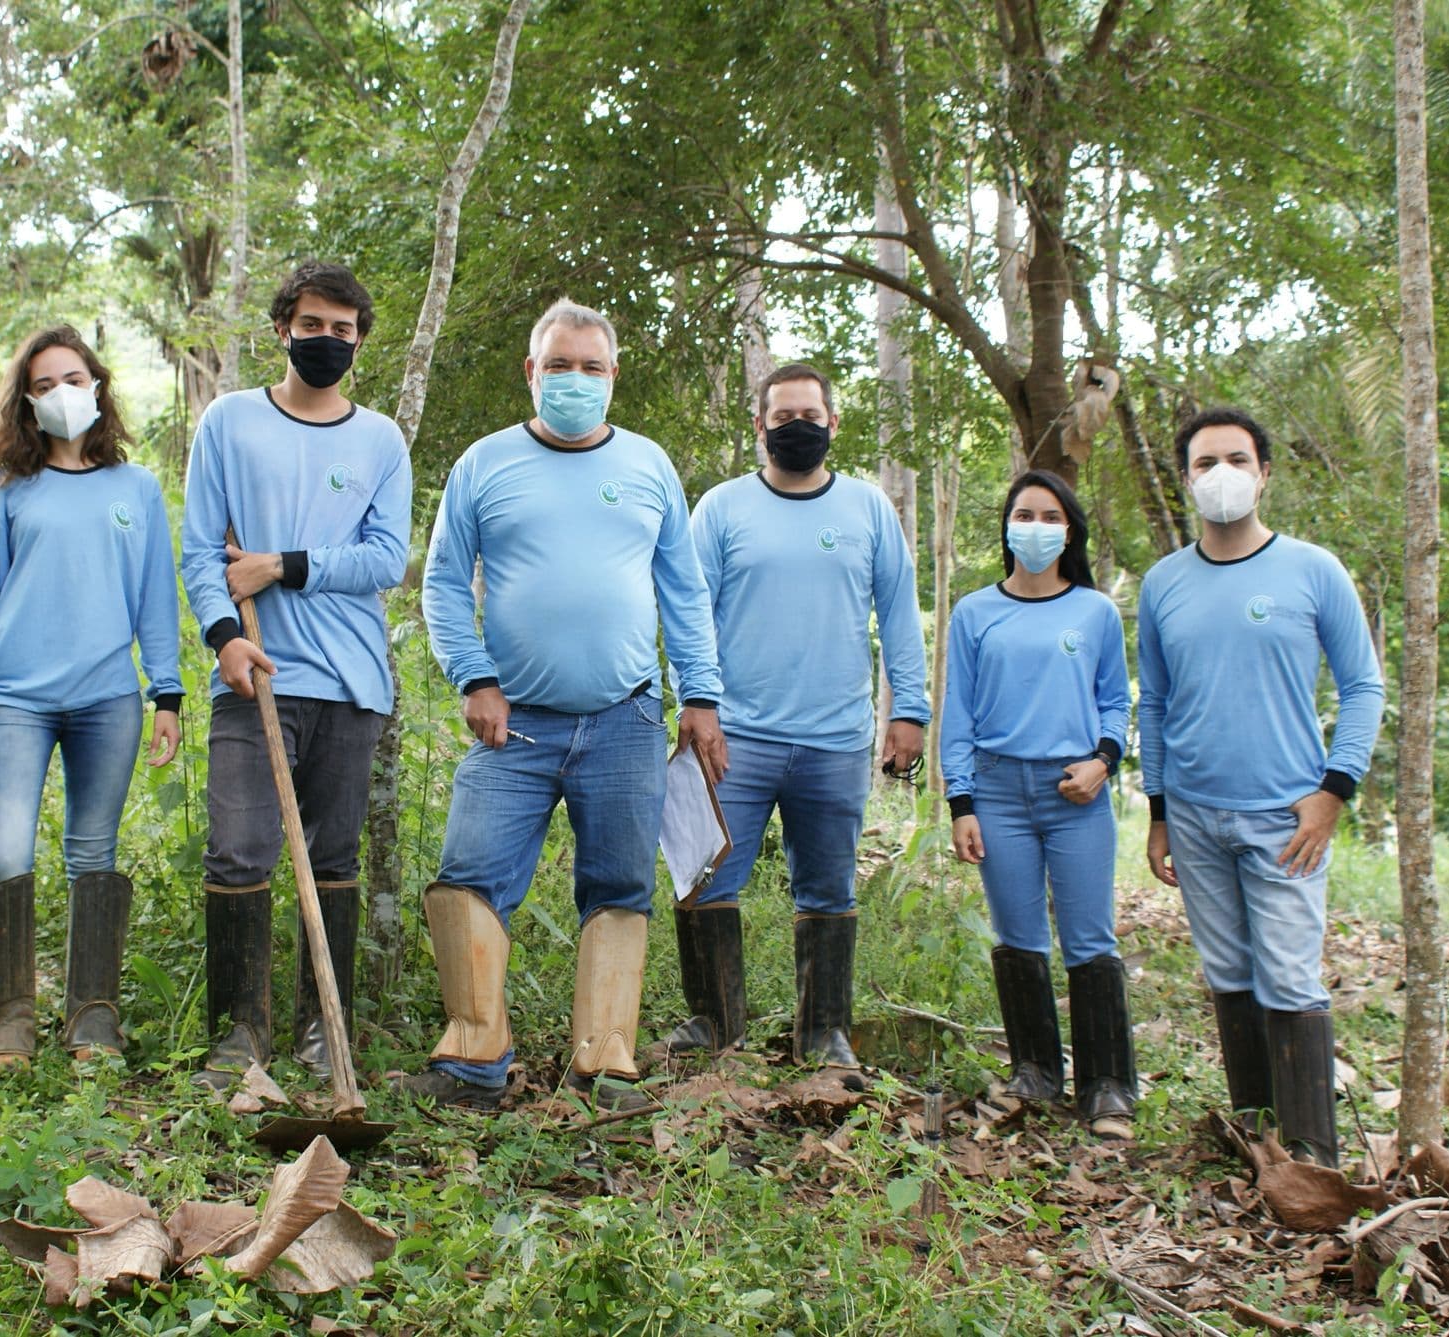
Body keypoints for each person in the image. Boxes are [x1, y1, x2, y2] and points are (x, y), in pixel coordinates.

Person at [400, 298, 727, 1111]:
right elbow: (441, 584)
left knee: (620, 884)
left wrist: (703, 696)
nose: (573, 379)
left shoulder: (649, 466)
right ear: (531, 371)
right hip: (513, 724)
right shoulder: (484, 464)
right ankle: (475, 1054)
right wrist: (473, 677)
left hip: (626, 719)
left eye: (590, 367)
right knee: (468, 880)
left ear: (614, 377)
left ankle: (604, 1059)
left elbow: (684, 593)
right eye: (558, 365)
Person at [180, 261, 413, 1089]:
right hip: (253, 677)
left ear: (359, 341)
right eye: (311, 325)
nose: (326, 340)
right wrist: (223, 640)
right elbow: (202, 550)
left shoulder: (380, 439)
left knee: (335, 854)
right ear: (283, 328)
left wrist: (281, 565)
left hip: (349, 682)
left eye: (342, 330)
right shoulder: (230, 424)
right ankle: (238, 1039)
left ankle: (326, 1032)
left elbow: (388, 556)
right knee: (239, 852)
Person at [1139, 407, 1385, 1166]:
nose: (1222, 475)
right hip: (1194, 812)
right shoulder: (1163, 583)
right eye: (1205, 462)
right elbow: (1154, 699)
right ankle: (1257, 1138)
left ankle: (1313, 1158)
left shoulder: (1313, 570)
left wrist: (1333, 791)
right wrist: (1158, 811)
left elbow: (1364, 685)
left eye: (1237, 459)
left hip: (1287, 815)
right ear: (1186, 479)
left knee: (1288, 976)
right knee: (1229, 973)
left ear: (1265, 472)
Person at [671, 363, 928, 1067]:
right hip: (735, 735)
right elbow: (688, 613)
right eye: (782, 416)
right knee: (705, 874)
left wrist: (911, 709)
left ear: (833, 423)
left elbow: (900, 614)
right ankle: (715, 1024)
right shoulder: (721, 509)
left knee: (828, 885)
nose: (797, 427)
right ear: (759, 426)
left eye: (810, 415)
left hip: (835, 740)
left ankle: (824, 1032)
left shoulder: (869, 510)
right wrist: (695, 702)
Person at [0, 325, 183, 1066]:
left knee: (94, 852)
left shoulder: (135, 488)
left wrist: (166, 693)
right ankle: (8, 1021)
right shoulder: (4, 490)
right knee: (7, 851)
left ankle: (92, 1019)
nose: (60, 395)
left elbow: (154, 599)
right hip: (14, 698)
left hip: (107, 698)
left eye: (72, 379)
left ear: (99, 386)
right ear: (25, 401)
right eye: (43, 385)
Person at [942, 470, 1136, 1137]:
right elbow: (958, 715)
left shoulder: (1095, 611)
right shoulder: (974, 613)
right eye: (1023, 512)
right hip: (997, 790)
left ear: (1070, 530)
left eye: (1050, 516)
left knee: (1089, 935)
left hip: (1075, 792)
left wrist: (1104, 762)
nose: (1035, 526)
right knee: (1018, 934)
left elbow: (1117, 699)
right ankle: (1035, 1071)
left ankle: (1108, 1085)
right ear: (1006, 525)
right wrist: (960, 802)